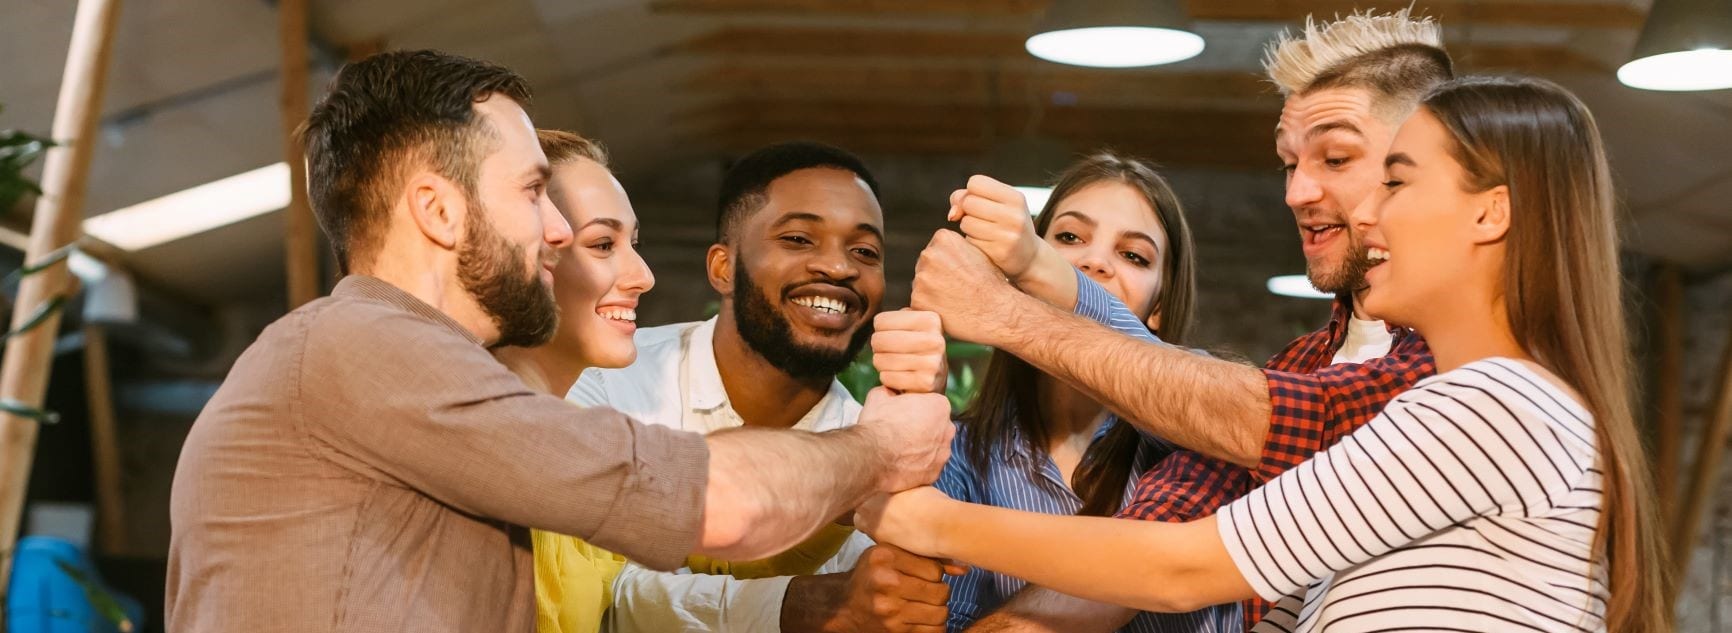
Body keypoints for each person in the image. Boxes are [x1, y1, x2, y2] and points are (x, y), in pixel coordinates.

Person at [165, 51, 953, 633]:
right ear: (439, 211)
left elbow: (626, 596)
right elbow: (723, 503)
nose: (554, 231)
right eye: (534, 191)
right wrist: (884, 446)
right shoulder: (363, 344)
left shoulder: (421, 370)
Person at [861, 75, 1671, 633]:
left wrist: (924, 518)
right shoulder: (1464, 398)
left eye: (1394, 181)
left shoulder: (1493, 402)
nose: (1365, 214)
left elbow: (1179, 566)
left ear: (1490, 214)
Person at [912, 11, 1452, 630]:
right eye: (1288, 163)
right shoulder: (1298, 366)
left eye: (1334, 157)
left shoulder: (1471, 354)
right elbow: (1150, 548)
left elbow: (1264, 424)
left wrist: (1017, 298)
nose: (1295, 192)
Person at [569, 140, 956, 633]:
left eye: (865, 251)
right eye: (798, 239)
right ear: (723, 268)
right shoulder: (606, 381)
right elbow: (598, 599)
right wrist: (807, 605)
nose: (839, 268)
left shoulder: (887, 447)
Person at [491, 131, 866, 633]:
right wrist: (871, 459)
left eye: (633, 243)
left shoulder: (569, 434)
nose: (643, 275)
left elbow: (639, 573)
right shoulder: (490, 435)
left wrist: (833, 521)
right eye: (603, 244)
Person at [931, 152, 1235, 633]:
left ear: (1158, 304)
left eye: (1133, 256)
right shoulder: (962, 452)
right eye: (1069, 238)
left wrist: (1049, 273)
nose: (1095, 262)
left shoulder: (1199, 425)